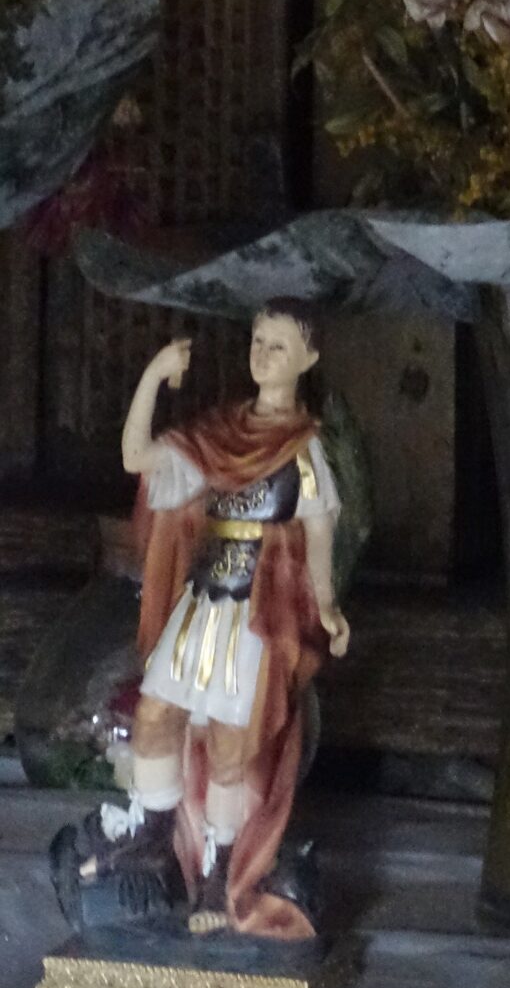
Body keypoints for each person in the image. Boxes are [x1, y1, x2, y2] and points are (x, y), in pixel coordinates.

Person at [78, 303, 349, 941]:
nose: (263, 355)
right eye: (258, 340)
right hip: (203, 602)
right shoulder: (220, 434)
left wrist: (327, 606)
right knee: (155, 713)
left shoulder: (304, 449)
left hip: (257, 610)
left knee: (232, 742)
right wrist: (153, 375)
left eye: (278, 345)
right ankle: (153, 836)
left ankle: (217, 870)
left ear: (308, 359)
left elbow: (318, 532)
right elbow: (138, 457)